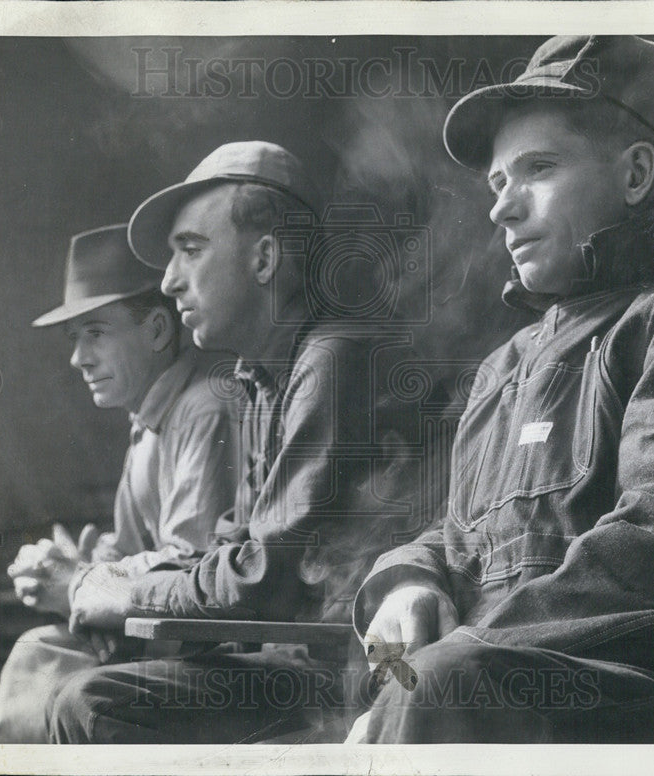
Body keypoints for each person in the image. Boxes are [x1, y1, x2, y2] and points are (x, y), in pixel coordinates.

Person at [349, 35, 654, 744]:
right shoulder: (508, 366)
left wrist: (452, 654)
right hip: (485, 689)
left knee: (437, 688)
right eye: (498, 184)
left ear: (635, 175)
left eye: (538, 169)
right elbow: (461, 539)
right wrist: (406, 581)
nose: (503, 209)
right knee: (371, 687)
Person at [47, 142, 433, 744]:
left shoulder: (333, 360)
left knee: (93, 702)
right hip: (304, 661)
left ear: (265, 258)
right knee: (94, 686)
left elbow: (262, 578)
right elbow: (231, 544)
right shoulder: (261, 376)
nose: (170, 282)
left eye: (190, 251)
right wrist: (112, 585)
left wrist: (125, 593)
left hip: (364, 672)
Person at [0, 224, 238, 743]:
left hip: (210, 655)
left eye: (95, 332)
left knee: (23, 701)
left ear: (160, 330)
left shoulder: (204, 410)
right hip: (157, 637)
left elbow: (195, 570)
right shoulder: (149, 422)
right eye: (75, 339)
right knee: (31, 663)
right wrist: (67, 566)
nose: (79, 358)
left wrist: (79, 581)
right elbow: (140, 550)